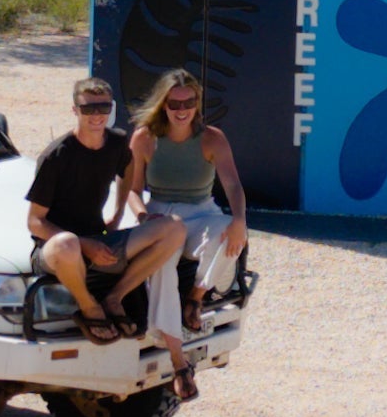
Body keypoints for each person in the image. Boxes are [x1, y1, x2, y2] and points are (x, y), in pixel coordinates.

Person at [26, 77, 187, 365]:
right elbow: (35, 222)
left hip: (98, 240)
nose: (97, 115)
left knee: (173, 227)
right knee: (67, 243)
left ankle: (115, 297)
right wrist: (85, 244)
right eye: (88, 108)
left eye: (103, 107)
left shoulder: (115, 142)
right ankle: (89, 307)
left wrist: (118, 213)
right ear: (75, 110)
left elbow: (127, 170)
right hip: (58, 250)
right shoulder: (57, 155)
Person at [126, 69, 248, 363]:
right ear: (163, 105)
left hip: (200, 210)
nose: (182, 110)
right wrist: (143, 216)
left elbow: (232, 184)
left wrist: (239, 220)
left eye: (188, 103)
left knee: (231, 233)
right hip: (159, 211)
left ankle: (196, 296)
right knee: (162, 264)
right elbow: (132, 190)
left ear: (197, 102)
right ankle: (165, 334)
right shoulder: (145, 137)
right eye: (174, 104)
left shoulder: (212, 138)